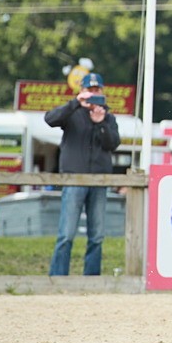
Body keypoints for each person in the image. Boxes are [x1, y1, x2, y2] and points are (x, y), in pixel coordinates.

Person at [46, 72, 120, 276]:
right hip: (74, 179)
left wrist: (101, 123)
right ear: (82, 91)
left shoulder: (108, 117)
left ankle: (92, 279)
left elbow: (113, 144)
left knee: (97, 235)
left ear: (102, 92)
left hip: (99, 181)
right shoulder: (71, 113)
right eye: (90, 90)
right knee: (66, 234)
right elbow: (50, 119)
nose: (93, 94)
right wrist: (75, 103)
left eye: (97, 90)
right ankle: (58, 278)